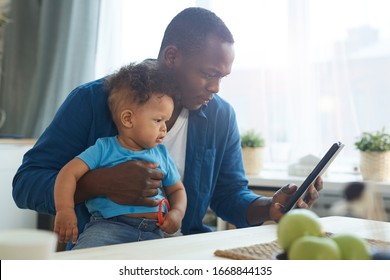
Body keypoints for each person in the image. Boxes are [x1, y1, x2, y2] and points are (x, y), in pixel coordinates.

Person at [13, 7, 322, 248]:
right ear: (172, 57)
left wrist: (269, 206)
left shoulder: (220, 116)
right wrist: (100, 183)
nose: (215, 88)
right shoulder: (94, 100)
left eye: (222, 77)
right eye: (208, 74)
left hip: (184, 250)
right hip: (104, 245)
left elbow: (229, 194)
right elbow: (26, 183)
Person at [53, 62, 186, 249]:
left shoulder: (161, 154)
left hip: (153, 232)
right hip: (107, 227)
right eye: (158, 120)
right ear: (128, 119)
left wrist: (177, 213)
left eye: (166, 120)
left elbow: (177, 190)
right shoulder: (103, 148)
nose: (164, 128)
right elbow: (68, 173)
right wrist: (64, 210)